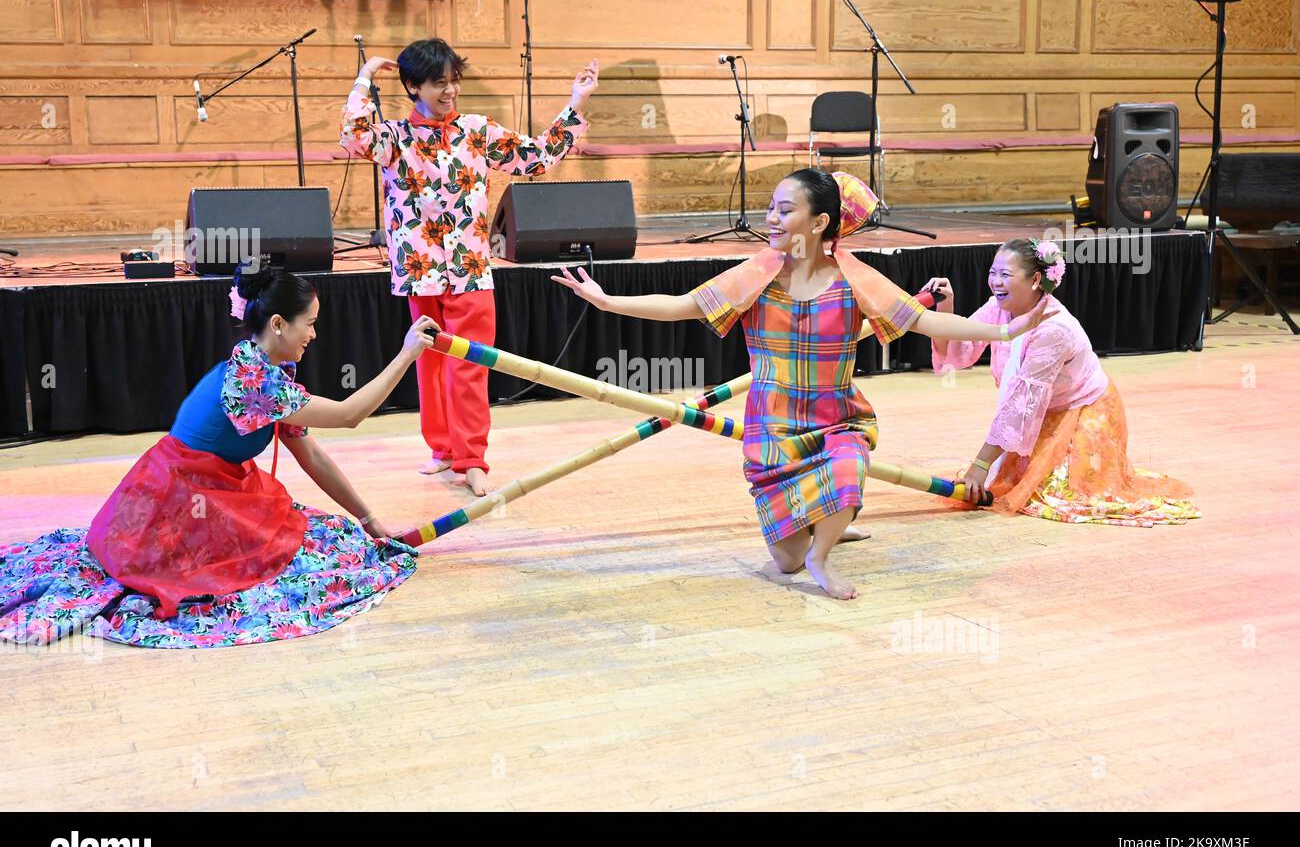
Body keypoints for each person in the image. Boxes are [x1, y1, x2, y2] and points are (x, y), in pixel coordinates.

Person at [552, 169, 1054, 599]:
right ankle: (816, 535)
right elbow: (682, 304)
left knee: (848, 467)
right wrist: (608, 301)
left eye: (784, 210)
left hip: (837, 416)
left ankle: (824, 553)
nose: (771, 218)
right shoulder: (757, 274)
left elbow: (926, 323)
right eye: (770, 208)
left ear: (818, 223)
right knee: (783, 561)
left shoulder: (855, 278)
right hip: (772, 428)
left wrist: (1004, 329)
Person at [0, 265, 440, 648]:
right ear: (279, 324)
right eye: (310, 323)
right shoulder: (257, 381)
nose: (314, 334)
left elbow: (310, 453)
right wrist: (407, 354)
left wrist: (368, 520)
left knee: (336, 537)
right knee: (322, 560)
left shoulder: (263, 367)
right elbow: (349, 415)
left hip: (202, 491)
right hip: (176, 505)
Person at [341, 37, 598, 496]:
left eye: (453, 82)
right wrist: (364, 78)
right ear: (413, 86)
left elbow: (536, 157)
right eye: (439, 83)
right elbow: (353, 136)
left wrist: (576, 101)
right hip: (418, 270)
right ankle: (442, 449)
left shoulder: (477, 131)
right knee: (429, 364)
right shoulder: (395, 137)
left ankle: (471, 458)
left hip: (470, 269)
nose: (450, 92)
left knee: (470, 365)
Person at [925, 238, 1199, 526]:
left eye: (1005, 275)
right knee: (1014, 483)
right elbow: (960, 353)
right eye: (993, 272)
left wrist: (981, 464)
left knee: (1056, 492)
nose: (996, 281)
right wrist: (947, 307)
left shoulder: (1053, 329)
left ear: (1035, 279)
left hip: (1084, 411)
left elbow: (1021, 406)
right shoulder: (1000, 306)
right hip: (1041, 411)